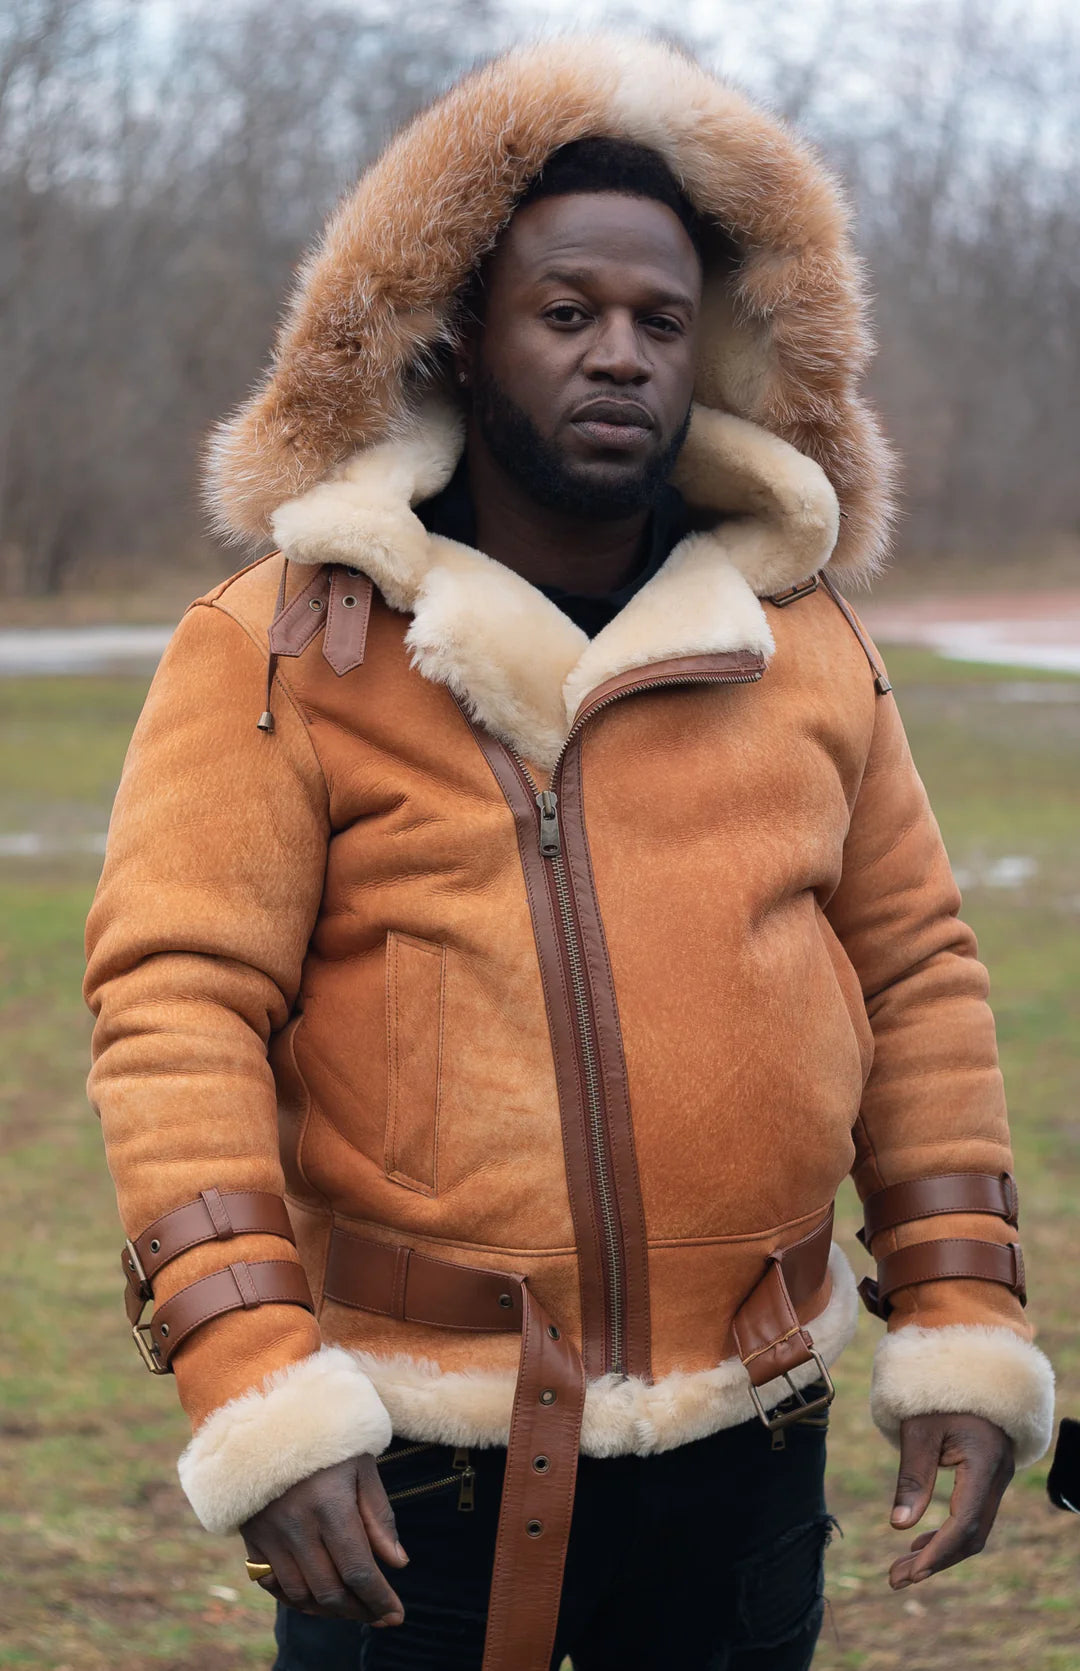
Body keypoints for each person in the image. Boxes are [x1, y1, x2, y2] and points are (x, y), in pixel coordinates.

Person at [84, 35, 1054, 1671]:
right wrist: (255, 1379)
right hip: (412, 1465)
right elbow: (176, 1007)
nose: (619, 354)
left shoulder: (802, 640)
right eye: (567, 312)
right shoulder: (284, 644)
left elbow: (917, 974)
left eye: (660, 322)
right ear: (464, 338)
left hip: (754, 1436)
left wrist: (962, 1312)